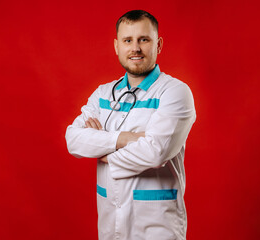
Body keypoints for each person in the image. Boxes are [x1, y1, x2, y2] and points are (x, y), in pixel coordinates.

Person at [65, 10, 196, 240]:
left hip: (157, 228)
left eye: (143, 40)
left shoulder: (175, 92)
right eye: (128, 40)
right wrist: (124, 139)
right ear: (117, 46)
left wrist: (103, 151)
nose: (135, 48)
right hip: (110, 225)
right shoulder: (103, 93)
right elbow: (73, 139)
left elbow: (156, 152)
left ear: (159, 44)